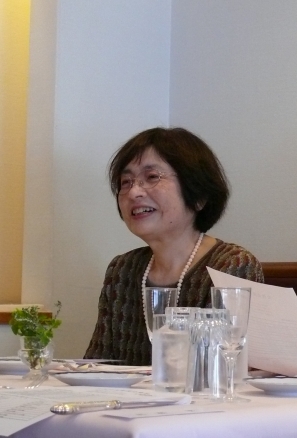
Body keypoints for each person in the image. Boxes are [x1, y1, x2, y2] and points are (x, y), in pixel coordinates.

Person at [85, 127, 263, 366]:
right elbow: (96, 367)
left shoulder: (232, 265)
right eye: (126, 182)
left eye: (152, 177)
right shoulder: (121, 269)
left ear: (198, 196)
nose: (134, 192)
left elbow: (218, 369)